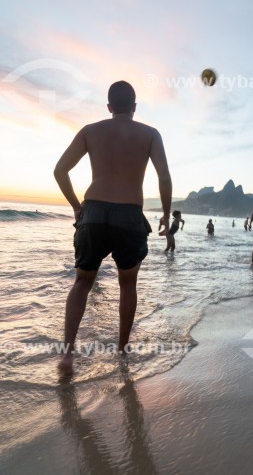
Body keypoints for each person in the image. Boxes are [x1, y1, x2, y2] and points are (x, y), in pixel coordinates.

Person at [54, 80, 172, 375]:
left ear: (109, 108)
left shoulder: (90, 131)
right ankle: (121, 350)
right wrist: (167, 216)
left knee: (82, 283)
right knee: (127, 284)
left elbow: (60, 171)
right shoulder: (150, 134)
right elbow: (164, 178)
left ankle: (67, 355)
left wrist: (76, 206)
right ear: (134, 106)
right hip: (129, 215)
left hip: (92, 212)